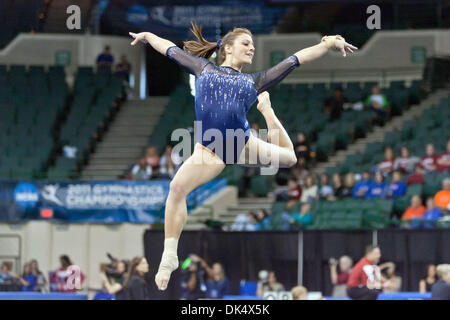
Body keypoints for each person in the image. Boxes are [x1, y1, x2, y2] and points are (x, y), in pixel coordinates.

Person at [130, 24, 357, 290]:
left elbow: (295, 59)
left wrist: (327, 43)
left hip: (241, 142)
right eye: (246, 43)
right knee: (176, 187)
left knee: (291, 159)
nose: (252, 48)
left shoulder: (254, 81)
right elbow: (168, 49)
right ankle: (169, 255)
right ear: (227, 48)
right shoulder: (203, 68)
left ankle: (269, 112)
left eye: (252, 45)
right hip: (209, 150)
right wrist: (146, 36)